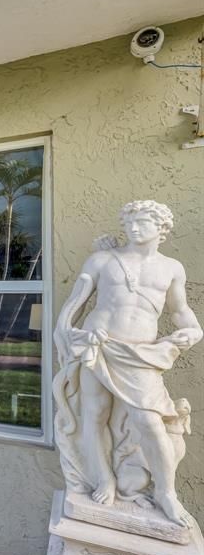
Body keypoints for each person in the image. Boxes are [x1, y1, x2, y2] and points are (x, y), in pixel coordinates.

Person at [53, 200, 201, 527]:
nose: (134, 228)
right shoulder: (103, 260)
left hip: (141, 355)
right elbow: (73, 305)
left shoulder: (172, 268)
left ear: (161, 228)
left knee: (149, 421)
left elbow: (179, 310)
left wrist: (193, 330)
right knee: (94, 414)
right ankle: (103, 479)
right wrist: (68, 335)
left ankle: (166, 491)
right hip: (99, 344)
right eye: (130, 221)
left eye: (143, 222)